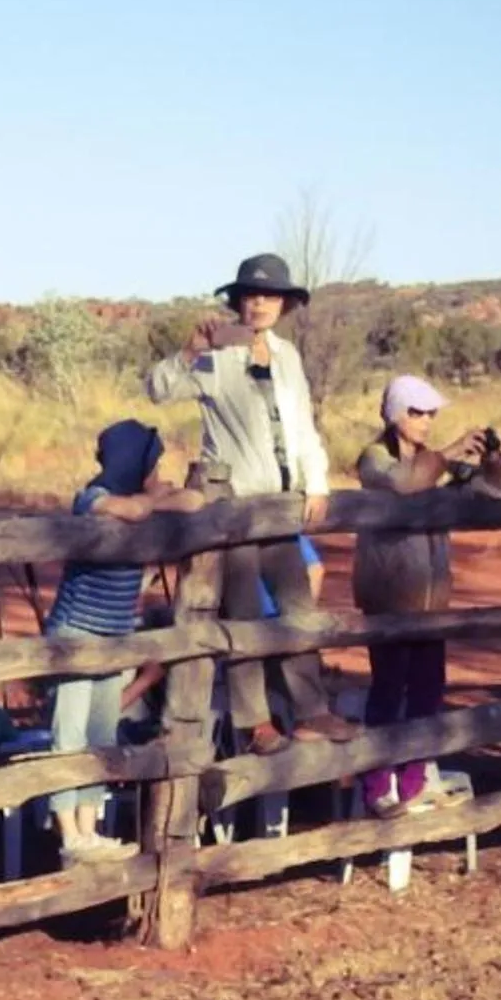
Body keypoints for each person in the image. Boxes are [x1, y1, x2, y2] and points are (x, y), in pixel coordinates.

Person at [147, 252, 358, 756]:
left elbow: (302, 425)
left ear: (284, 304)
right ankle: (254, 723)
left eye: (270, 296)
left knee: (297, 609)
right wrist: (189, 351)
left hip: (280, 506)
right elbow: (158, 389)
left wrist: (317, 482)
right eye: (252, 295)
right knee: (243, 615)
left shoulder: (288, 356)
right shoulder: (216, 355)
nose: (260, 304)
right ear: (239, 302)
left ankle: (311, 711)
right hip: (237, 508)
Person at [352, 375, 501, 816]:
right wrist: (448, 454)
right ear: (395, 415)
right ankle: (377, 785)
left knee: (427, 694)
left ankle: (412, 783)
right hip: (387, 599)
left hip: (432, 604)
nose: (425, 421)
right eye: (416, 412)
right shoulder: (374, 460)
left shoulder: (437, 465)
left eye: (430, 413)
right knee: (388, 692)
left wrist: (492, 457)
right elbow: (405, 484)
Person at [44, 423, 204, 858]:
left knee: (101, 734)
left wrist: (159, 499)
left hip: (114, 638)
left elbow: (195, 501)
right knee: (69, 734)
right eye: (152, 465)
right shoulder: (91, 496)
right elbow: (127, 511)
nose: (157, 474)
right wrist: (155, 500)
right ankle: (69, 835)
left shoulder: (142, 500)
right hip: (76, 633)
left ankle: (88, 829)